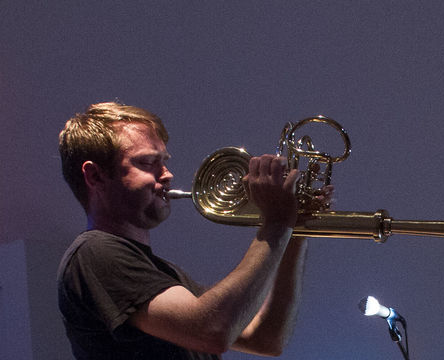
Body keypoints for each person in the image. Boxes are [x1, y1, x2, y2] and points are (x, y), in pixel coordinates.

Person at [57, 101, 333, 359]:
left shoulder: (165, 274)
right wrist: (276, 223)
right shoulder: (94, 252)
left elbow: (267, 338)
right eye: (147, 162)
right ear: (95, 176)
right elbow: (211, 330)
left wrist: (294, 231)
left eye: (164, 161)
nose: (167, 174)